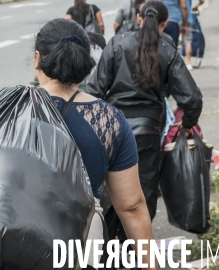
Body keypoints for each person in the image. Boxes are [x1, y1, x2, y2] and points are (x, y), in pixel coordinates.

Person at [34, 18, 155, 269]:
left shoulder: (12, 110)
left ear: (38, 59)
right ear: (85, 63)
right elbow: (131, 207)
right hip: (82, 240)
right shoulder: (110, 120)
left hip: (18, 234)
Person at [86, 0, 203, 240]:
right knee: (142, 199)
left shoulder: (117, 44)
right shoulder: (168, 51)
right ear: (164, 23)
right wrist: (188, 125)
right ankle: (135, 254)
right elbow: (192, 98)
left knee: (108, 195)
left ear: (138, 19)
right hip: (147, 135)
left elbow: (94, 90)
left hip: (112, 131)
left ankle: (108, 252)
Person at [174, 0, 205, 71]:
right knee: (187, 41)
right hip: (188, 19)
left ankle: (174, 63)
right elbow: (202, 0)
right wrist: (195, 6)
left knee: (172, 42)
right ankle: (188, 63)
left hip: (175, 18)